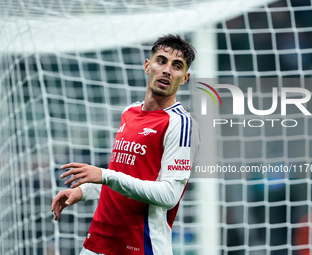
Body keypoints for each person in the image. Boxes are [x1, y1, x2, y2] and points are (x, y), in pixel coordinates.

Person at [51, 34, 200, 255]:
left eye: (177, 66)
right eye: (161, 61)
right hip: (99, 240)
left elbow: (169, 196)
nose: (167, 70)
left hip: (141, 245)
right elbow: (124, 176)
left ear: (185, 77)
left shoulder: (181, 123)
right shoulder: (129, 112)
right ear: (147, 66)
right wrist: (84, 190)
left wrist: (105, 175)